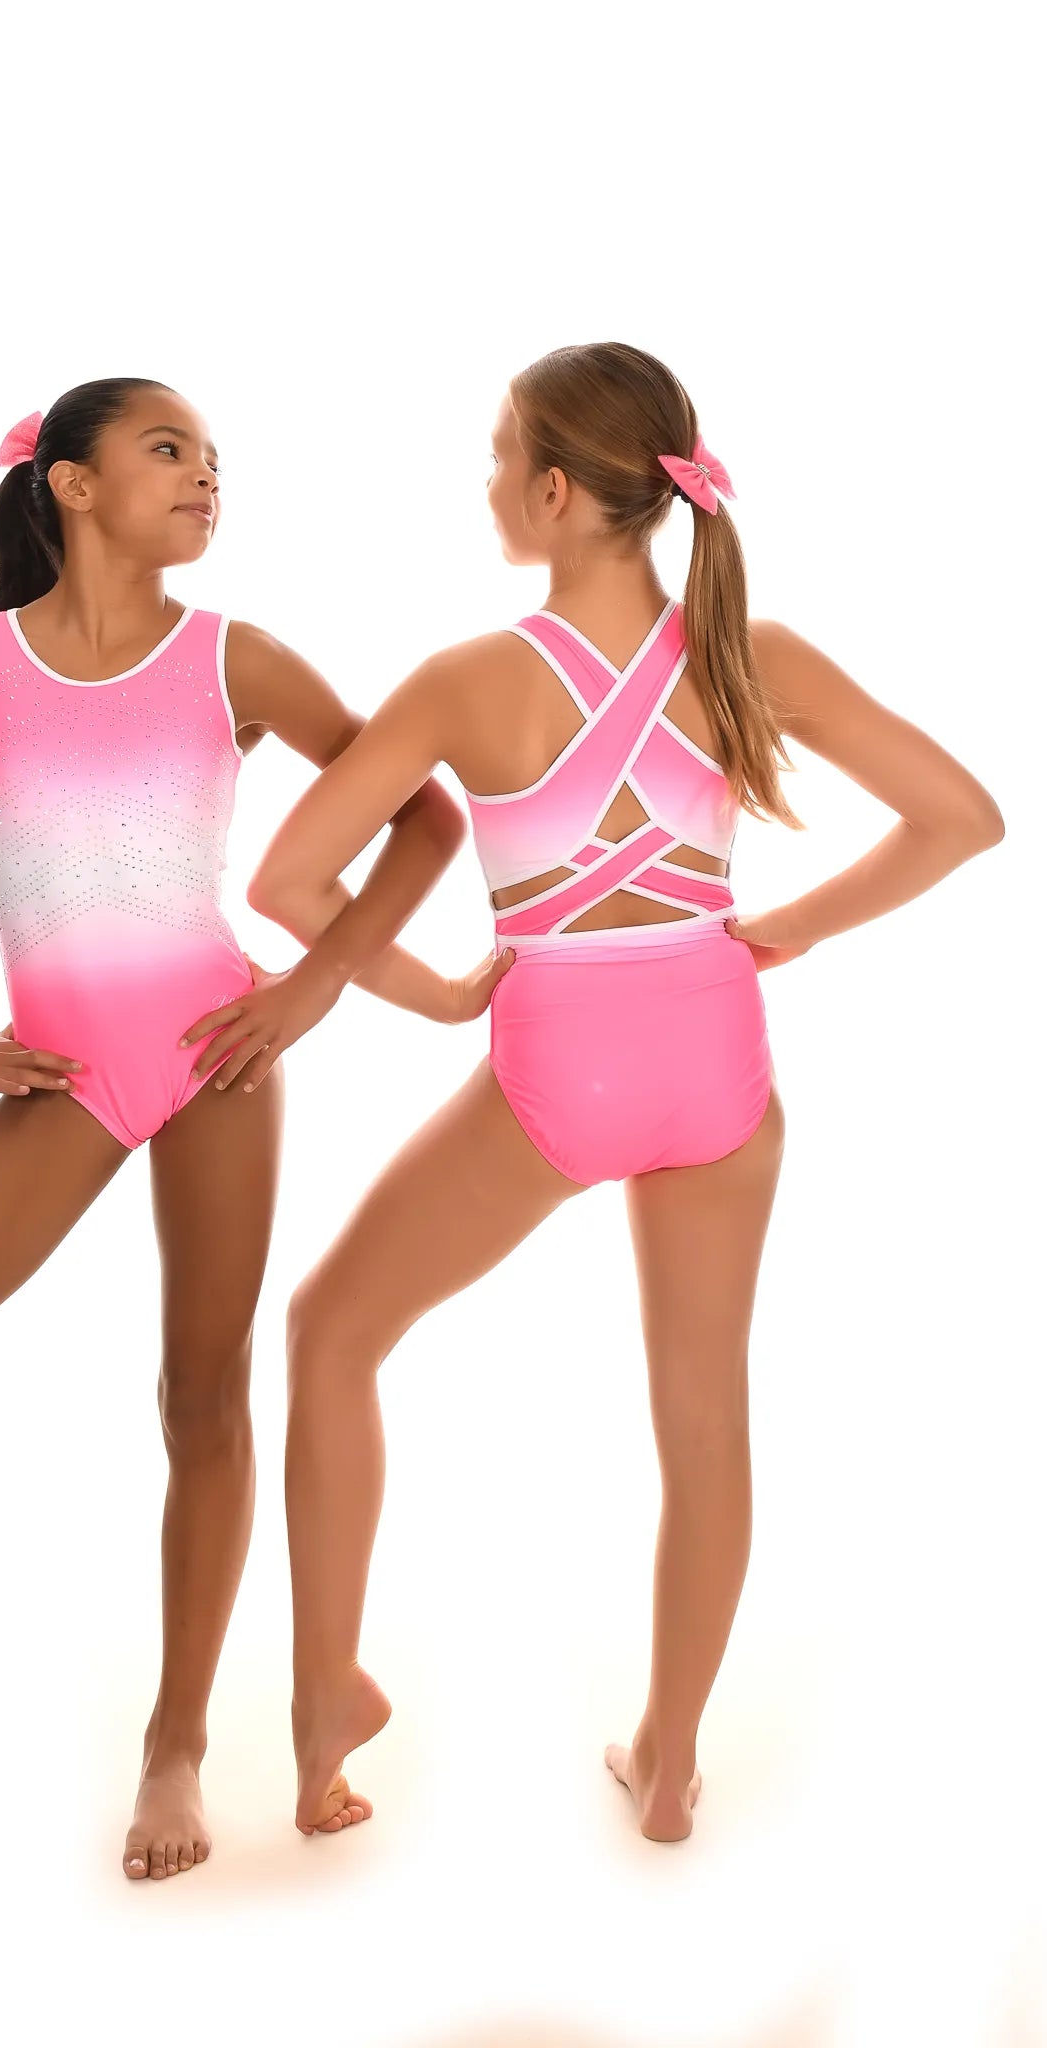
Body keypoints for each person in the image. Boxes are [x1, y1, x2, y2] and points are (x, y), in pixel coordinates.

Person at [207, 342, 1003, 1844]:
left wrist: (446, 993)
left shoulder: (467, 683)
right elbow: (962, 817)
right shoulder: (751, 653)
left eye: (499, 458)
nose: (488, 482)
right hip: (717, 1056)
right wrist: (785, 928)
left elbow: (289, 882)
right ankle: (672, 1759)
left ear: (559, 494)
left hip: (556, 1063)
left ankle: (322, 1715)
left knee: (330, 1332)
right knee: (704, 1422)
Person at [0, 376, 505, 1924]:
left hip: (212, 1060)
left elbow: (425, 820)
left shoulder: (233, 660)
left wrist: (311, 989)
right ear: (68, 483)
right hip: (64, 1077)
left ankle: (176, 1748)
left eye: (212, 458)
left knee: (202, 1397)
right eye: (167, 449)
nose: (204, 476)